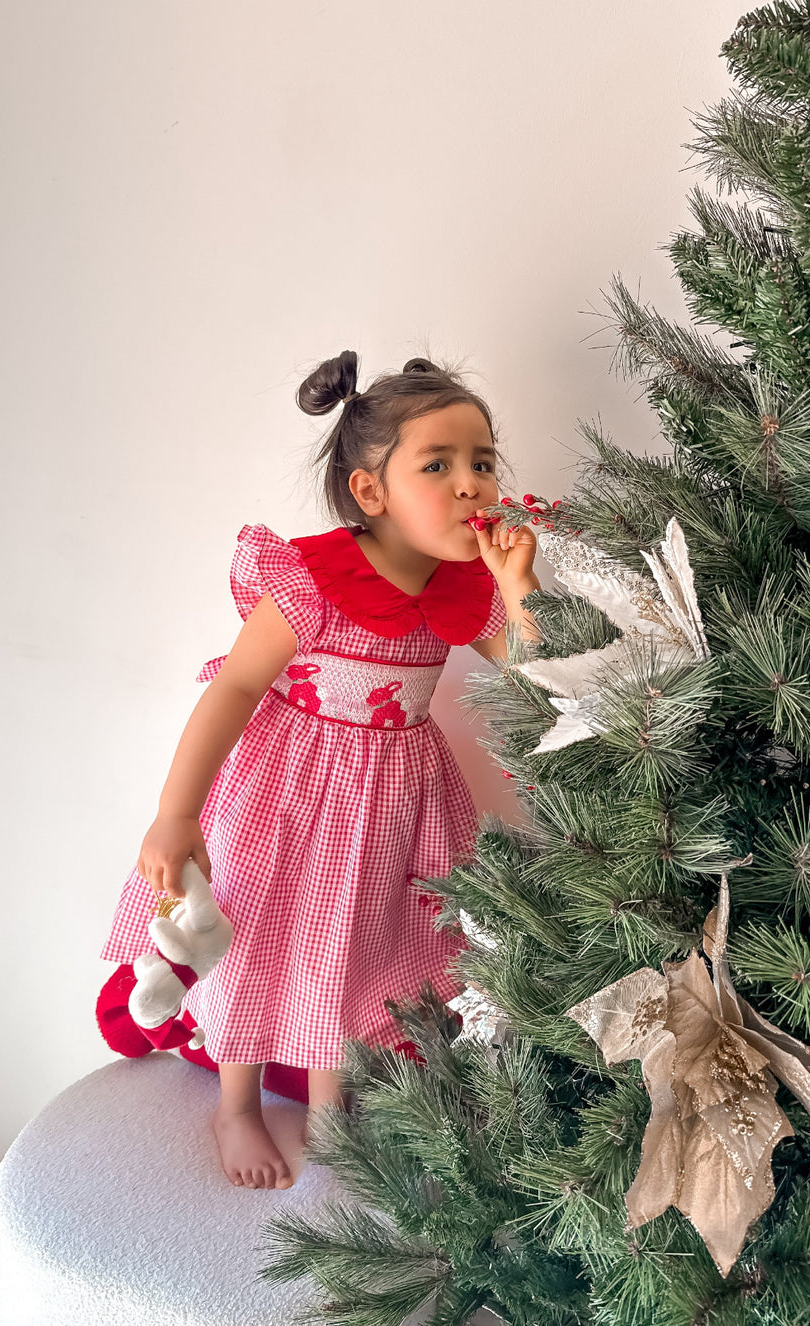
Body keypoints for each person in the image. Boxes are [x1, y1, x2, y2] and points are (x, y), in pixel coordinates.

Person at [99, 351, 541, 1190]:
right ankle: (238, 1105)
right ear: (370, 491)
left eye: (483, 463)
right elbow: (234, 686)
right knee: (255, 938)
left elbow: (543, 675)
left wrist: (517, 587)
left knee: (358, 947)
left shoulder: (463, 590)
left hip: (394, 809)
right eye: (438, 465)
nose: (470, 485)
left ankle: (335, 1116)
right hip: (284, 798)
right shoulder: (310, 580)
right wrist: (175, 813)